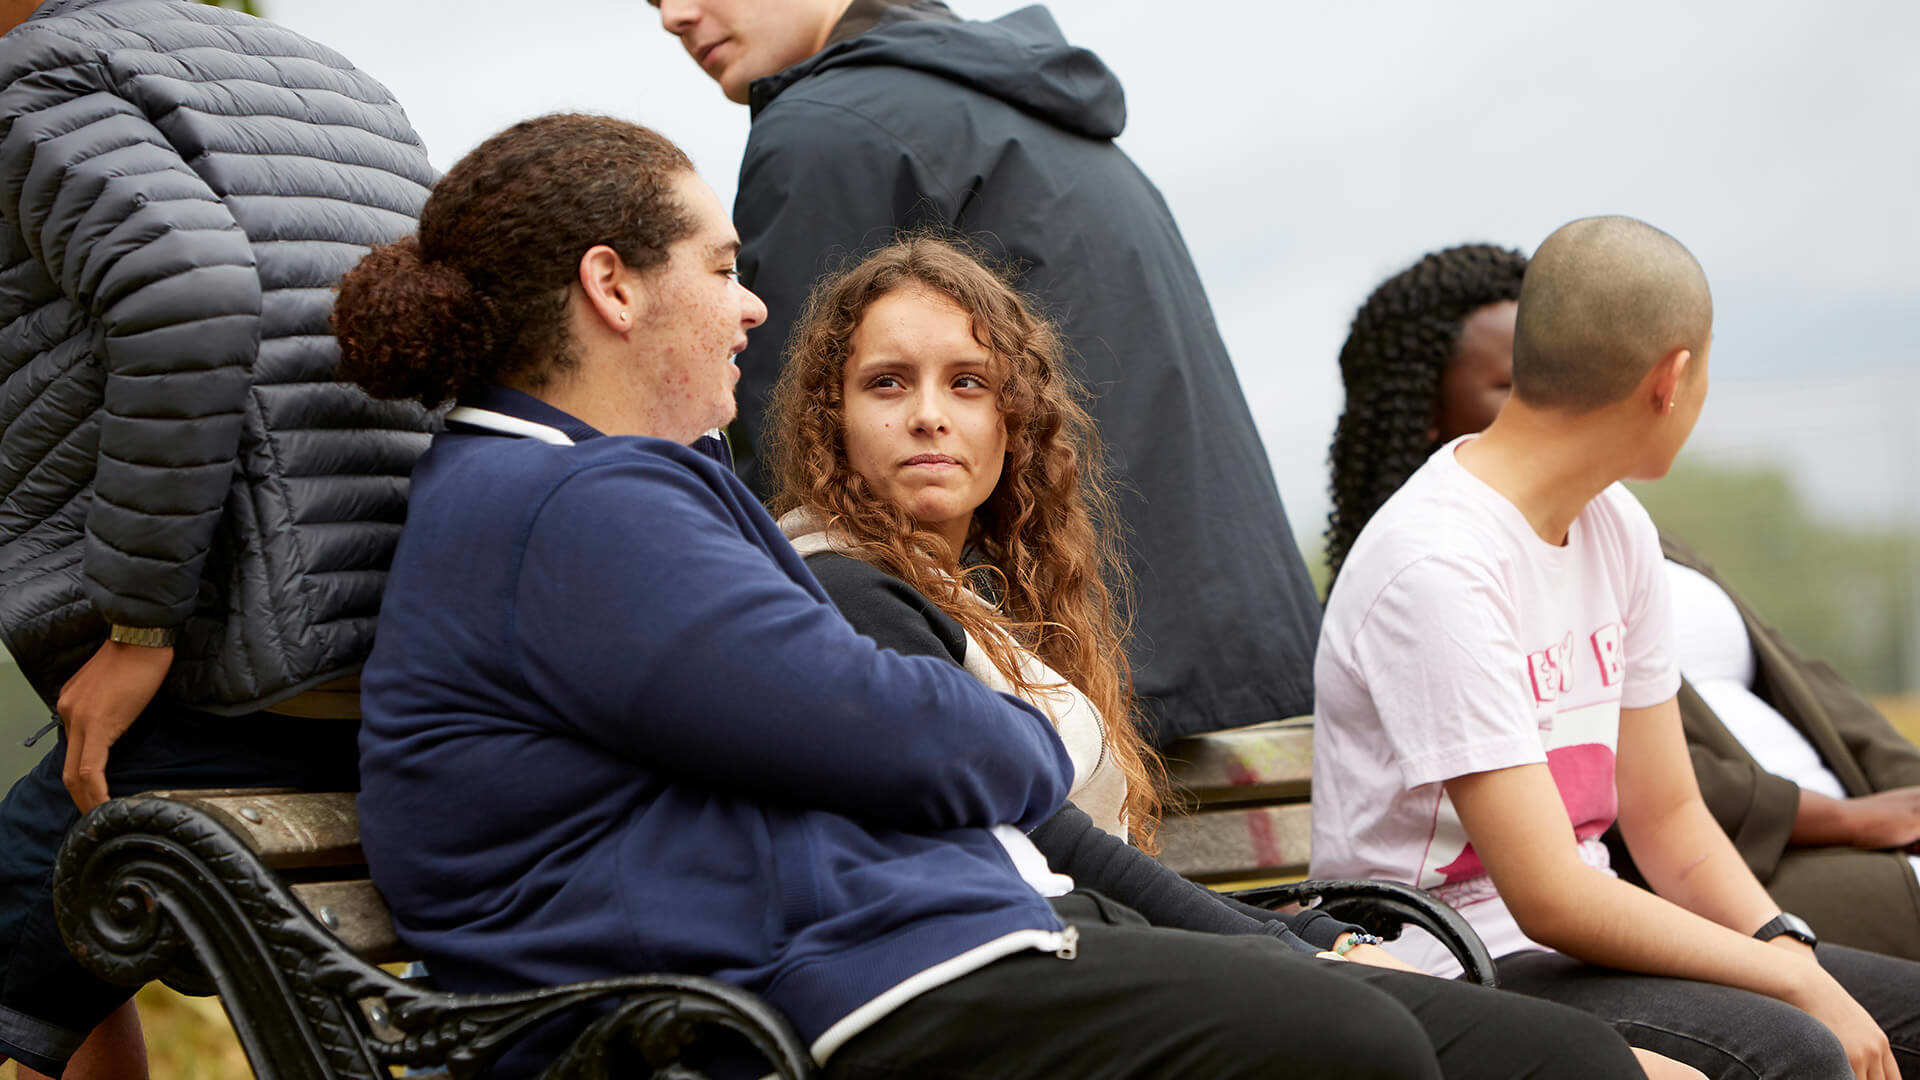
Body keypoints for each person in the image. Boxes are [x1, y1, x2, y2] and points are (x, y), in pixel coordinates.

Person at [337, 113, 1653, 1080]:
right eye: (722, 265)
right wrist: (1001, 726)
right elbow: (891, 726)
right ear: (613, 287)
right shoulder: (575, 510)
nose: (749, 306)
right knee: (1346, 1043)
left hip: (828, 968)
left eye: (972, 386)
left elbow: (843, 726)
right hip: (720, 1014)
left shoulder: (599, 488)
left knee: (1516, 1057)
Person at [761, 233, 1710, 1080]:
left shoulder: (979, 600)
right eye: (888, 383)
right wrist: (1304, 946)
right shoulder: (845, 593)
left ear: (1012, 419)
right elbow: (1051, 841)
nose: (930, 414)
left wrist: (1304, 930)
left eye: (967, 383)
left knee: (1567, 1053)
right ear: (831, 416)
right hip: (1001, 977)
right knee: (1551, 1056)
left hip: (1109, 952)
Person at [1311, 216, 1920, 1079]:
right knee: (1800, 1051)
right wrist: (1794, 987)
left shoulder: (1615, 526)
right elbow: (1550, 894)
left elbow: (1669, 819)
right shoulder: (1437, 562)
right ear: (1671, 379)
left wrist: (1787, 948)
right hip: (1451, 964)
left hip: (1573, 951)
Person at [648, 0, 1322, 746]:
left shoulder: (827, 129)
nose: (674, 16)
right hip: (1167, 651)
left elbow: (792, 451)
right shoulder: (1007, 100)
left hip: (1043, 684)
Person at [0, 0, 436, 1076]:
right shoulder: (330, 78)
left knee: (59, 871)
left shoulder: (36, 84)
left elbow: (189, 288)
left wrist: (140, 628)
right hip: (395, 667)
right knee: (62, 938)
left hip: (225, 681)